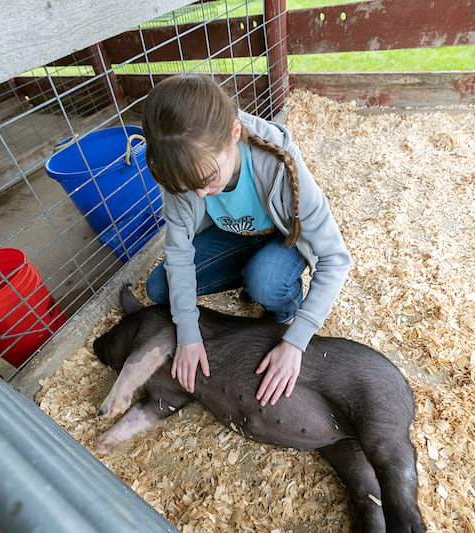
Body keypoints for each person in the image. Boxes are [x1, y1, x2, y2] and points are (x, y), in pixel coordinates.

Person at [142, 74, 351, 407]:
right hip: (232, 235)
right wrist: (188, 332)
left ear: (234, 134)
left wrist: (296, 341)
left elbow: (335, 259)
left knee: (266, 281)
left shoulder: (279, 162)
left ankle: (282, 302)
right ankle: (252, 276)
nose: (198, 193)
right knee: (158, 289)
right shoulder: (183, 170)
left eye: (207, 180)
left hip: (283, 239)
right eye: (187, 186)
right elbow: (179, 255)